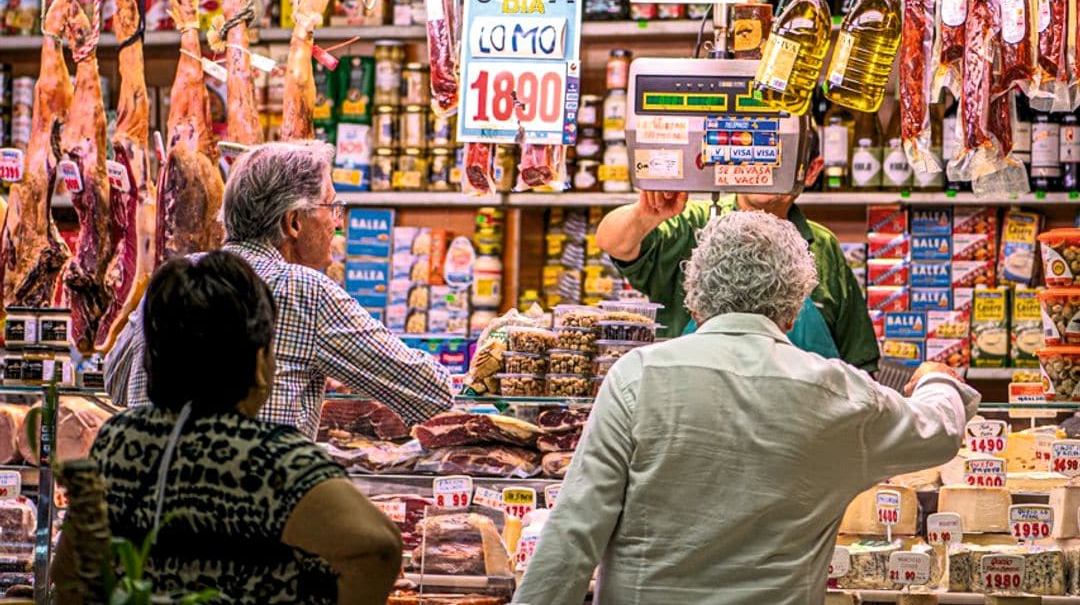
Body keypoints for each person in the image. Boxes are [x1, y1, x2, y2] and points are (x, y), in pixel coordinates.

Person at [514, 210, 979, 605]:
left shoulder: (637, 376)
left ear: (694, 299)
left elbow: (572, 534)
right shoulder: (840, 392)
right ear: (794, 311)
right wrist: (939, 380)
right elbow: (939, 429)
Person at [53, 251, 402, 604]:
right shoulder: (269, 457)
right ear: (260, 361)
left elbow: (71, 572)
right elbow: (379, 548)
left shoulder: (119, 438)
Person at [105, 141, 453, 439]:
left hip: (157, 501)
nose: (338, 221)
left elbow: (115, 383)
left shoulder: (173, 277)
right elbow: (430, 392)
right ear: (294, 223)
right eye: (332, 208)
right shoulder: (304, 291)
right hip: (253, 505)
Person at [596, 128, 879, 369]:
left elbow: (858, 363)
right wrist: (646, 215)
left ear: (812, 170)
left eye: (779, 155)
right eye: (752, 150)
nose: (762, 165)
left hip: (799, 423)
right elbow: (613, 242)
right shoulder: (693, 222)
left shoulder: (823, 245)